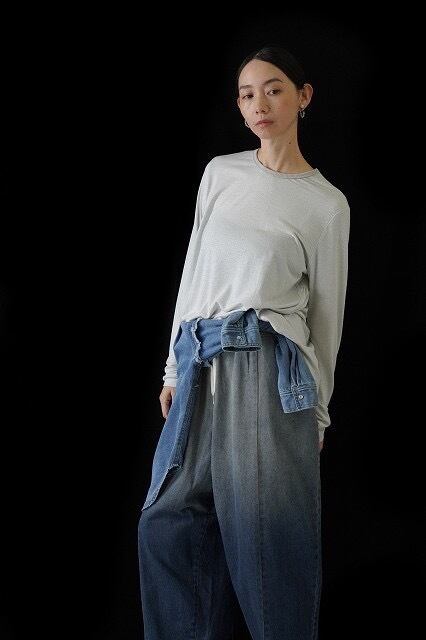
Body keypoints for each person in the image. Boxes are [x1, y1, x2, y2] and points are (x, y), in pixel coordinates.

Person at [138, 44, 350, 640]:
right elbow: (194, 271)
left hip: (268, 362)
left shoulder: (325, 205)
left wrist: (319, 414)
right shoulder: (221, 173)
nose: (260, 104)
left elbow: (327, 316)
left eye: (274, 89)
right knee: (167, 524)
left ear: (303, 97)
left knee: (265, 540)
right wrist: (173, 369)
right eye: (247, 94)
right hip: (199, 355)